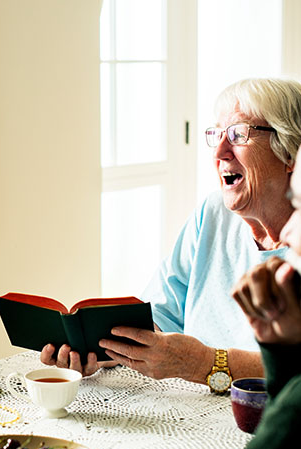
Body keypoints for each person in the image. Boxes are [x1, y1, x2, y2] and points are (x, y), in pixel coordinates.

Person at [43, 78, 301, 393]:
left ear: (290, 154)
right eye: (217, 134)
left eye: (238, 134)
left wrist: (206, 363)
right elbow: (162, 314)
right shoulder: (213, 212)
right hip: (186, 404)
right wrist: (99, 348)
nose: (220, 151)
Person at [197, 146, 301, 449]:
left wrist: (208, 362)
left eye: (300, 206)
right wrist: (281, 350)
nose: (287, 235)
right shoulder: (211, 212)